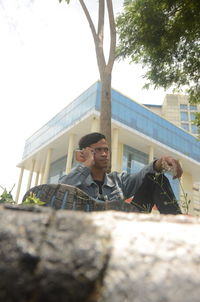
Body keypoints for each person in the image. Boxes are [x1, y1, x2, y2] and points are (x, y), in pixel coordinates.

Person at [59, 132, 182, 214]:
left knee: (156, 179)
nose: (104, 154)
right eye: (98, 150)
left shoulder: (118, 180)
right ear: (85, 153)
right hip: (91, 234)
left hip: (125, 229)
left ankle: (179, 232)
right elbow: (60, 192)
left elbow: (141, 176)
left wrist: (161, 162)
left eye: (106, 149)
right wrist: (86, 163)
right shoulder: (75, 181)